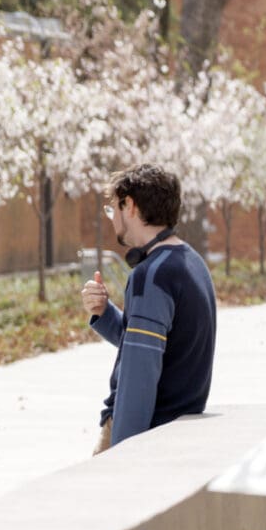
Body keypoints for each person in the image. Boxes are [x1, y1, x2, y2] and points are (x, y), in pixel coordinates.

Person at [80, 164, 216, 453]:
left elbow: (139, 375)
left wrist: (125, 454)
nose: (112, 218)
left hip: (147, 433)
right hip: (178, 430)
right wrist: (105, 312)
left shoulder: (152, 274)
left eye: (112, 208)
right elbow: (156, 346)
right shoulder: (191, 262)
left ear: (129, 205)